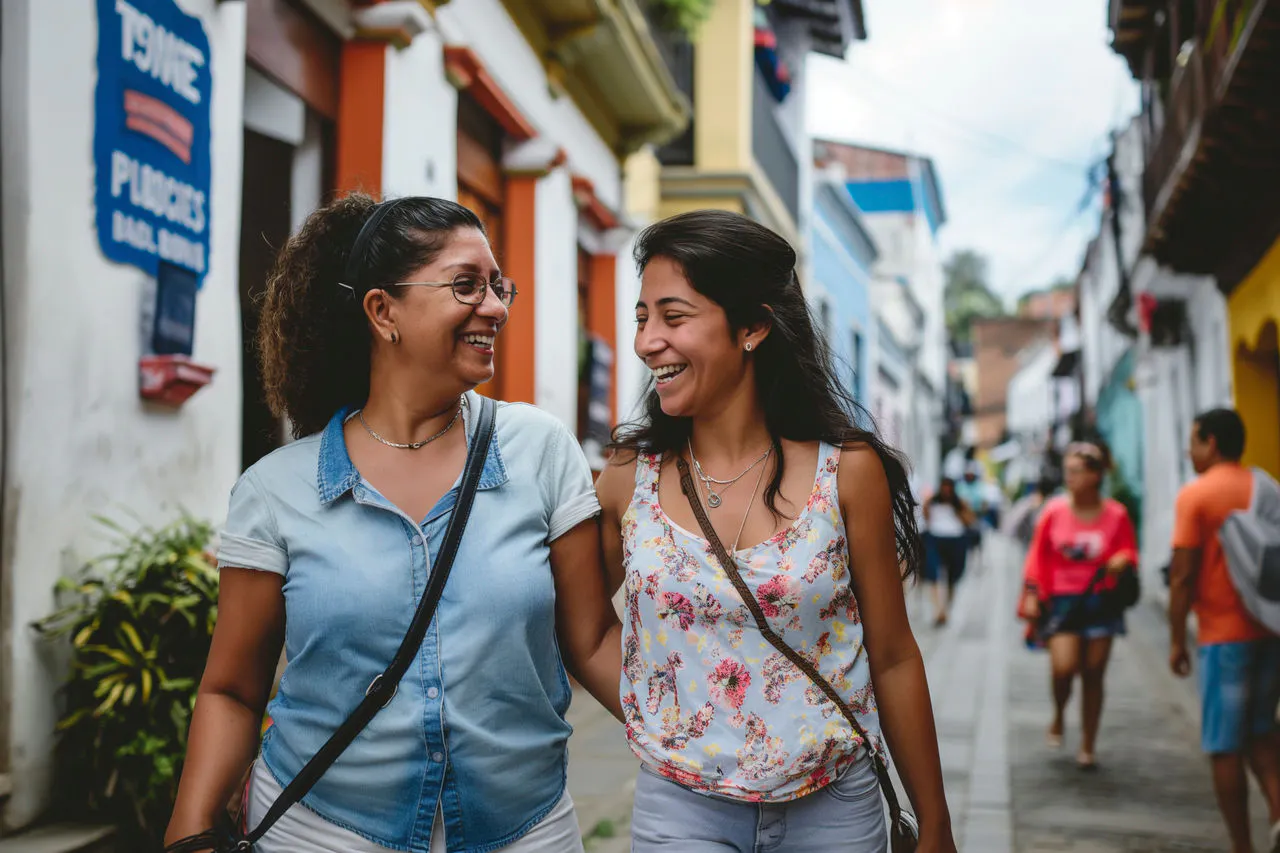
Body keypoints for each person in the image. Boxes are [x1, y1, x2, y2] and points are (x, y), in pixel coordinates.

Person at [164, 195, 623, 853]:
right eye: (467, 284)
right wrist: (190, 828)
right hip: (321, 834)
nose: (494, 306)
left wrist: (709, 742)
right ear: (384, 312)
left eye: (499, 287)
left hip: (524, 832)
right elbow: (234, 688)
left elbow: (592, 638)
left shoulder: (542, 451)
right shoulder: (277, 491)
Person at [595, 210, 956, 852]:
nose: (647, 341)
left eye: (673, 317)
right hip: (683, 808)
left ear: (753, 327)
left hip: (834, 806)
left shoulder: (848, 472)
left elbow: (894, 653)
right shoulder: (628, 475)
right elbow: (584, 624)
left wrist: (935, 821)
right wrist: (676, 720)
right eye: (642, 318)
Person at [1168, 408, 1280, 853]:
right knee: (1261, 732)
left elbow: (1180, 577)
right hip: (1270, 631)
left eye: (1193, 440)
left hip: (1222, 636)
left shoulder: (1196, 495)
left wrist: (1177, 638)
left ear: (1211, 443)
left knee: (1224, 747)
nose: (1189, 450)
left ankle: (1242, 846)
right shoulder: (1266, 485)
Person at [1019, 442, 1137, 769]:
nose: (1068, 476)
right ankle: (1059, 712)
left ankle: (1088, 743)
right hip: (1062, 602)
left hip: (1101, 599)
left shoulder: (1117, 514)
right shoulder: (1054, 511)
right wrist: (1031, 592)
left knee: (1095, 673)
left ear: (1096, 475)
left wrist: (1123, 559)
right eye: (1067, 470)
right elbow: (1036, 555)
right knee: (1063, 667)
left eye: (1076, 470)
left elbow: (1130, 550)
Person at [922, 477, 975, 627]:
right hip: (935, 538)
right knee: (933, 574)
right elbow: (926, 516)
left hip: (956, 540)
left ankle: (946, 608)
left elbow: (970, 520)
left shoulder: (960, 503)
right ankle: (938, 610)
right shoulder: (932, 502)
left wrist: (958, 511)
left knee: (952, 576)